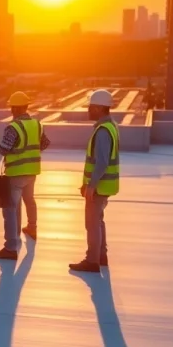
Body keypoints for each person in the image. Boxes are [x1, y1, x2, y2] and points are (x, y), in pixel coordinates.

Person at [0, 91, 50, 260]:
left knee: (10, 208)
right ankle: (32, 227)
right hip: (32, 170)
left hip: (16, 173)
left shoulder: (13, 127)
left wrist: (0, 148)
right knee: (29, 200)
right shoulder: (37, 124)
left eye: (12, 107)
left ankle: (11, 247)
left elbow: (4, 149)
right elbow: (45, 143)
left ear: (15, 108)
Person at [70, 90, 120, 273]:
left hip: (99, 186)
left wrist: (91, 185)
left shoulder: (103, 131)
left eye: (91, 106)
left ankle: (92, 261)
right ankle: (101, 256)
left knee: (92, 224)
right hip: (104, 185)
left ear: (99, 108)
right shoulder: (111, 126)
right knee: (98, 221)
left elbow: (102, 162)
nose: (88, 110)